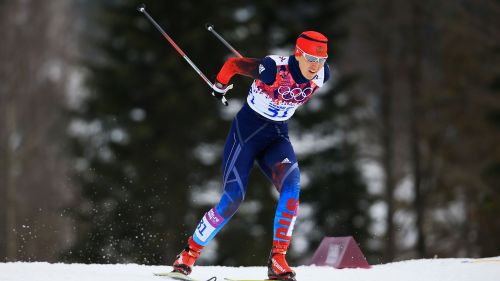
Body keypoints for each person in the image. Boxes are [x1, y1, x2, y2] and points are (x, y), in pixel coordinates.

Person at [172, 31, 330, 281]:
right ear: (298, 54)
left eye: (321, 60)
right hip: (245, 135)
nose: (315, 65)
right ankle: (188, 255)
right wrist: (220, 86)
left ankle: (277, 260)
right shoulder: (272, 69)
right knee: (233, 199)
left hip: (277, 138)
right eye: (311, 58)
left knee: (292, 187)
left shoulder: (323, 74)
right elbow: (233, 64)